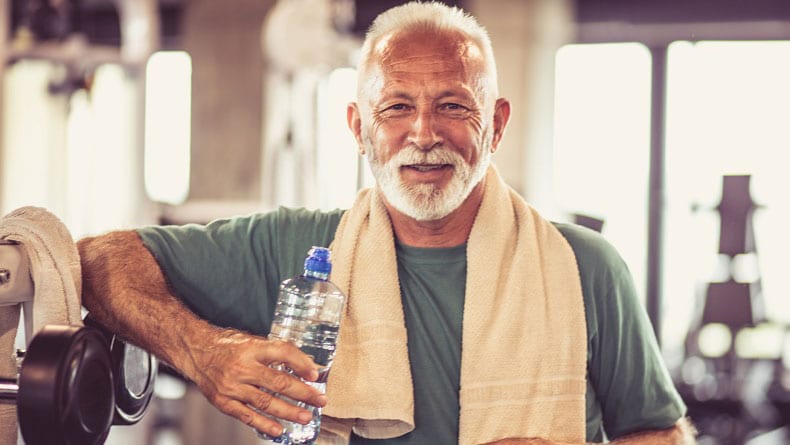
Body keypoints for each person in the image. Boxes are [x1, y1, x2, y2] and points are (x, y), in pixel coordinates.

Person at [78, 2, 695, 444]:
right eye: (397, 107)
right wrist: (206, 353)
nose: (424, 134)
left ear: (497, 124)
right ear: (359, 128)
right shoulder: (294, 248)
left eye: (454, 106)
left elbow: (659, 430)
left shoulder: (585, 266)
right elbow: (98, 261)